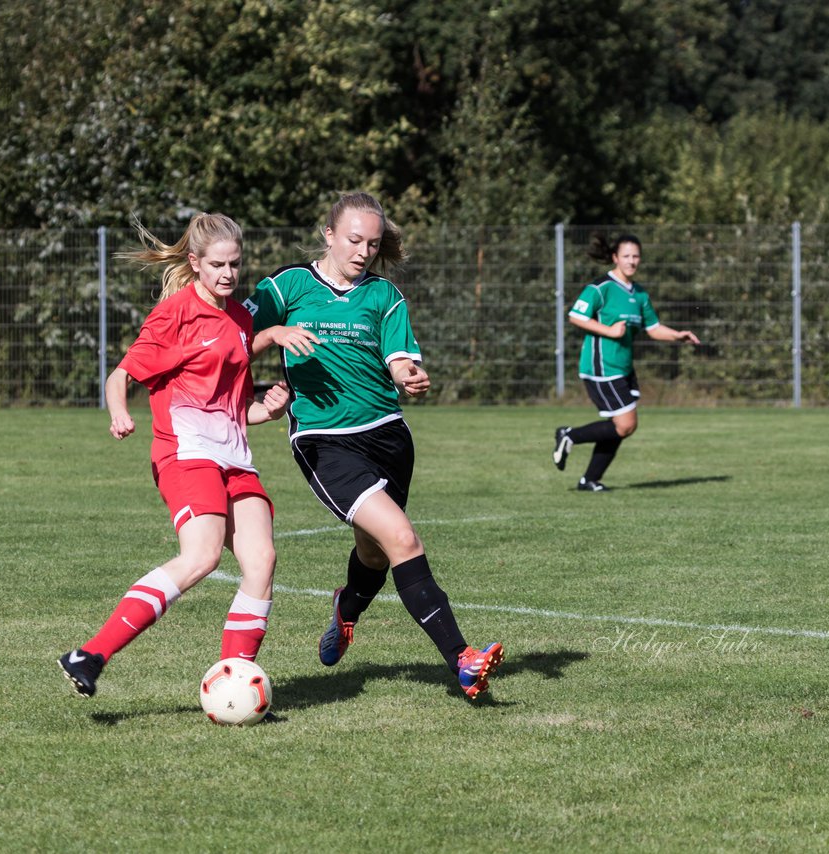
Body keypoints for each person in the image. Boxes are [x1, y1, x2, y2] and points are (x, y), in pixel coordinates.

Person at [245, 191, 504, 699]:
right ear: (329, 235)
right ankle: (463, 661)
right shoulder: (286, 285)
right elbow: (230, 341)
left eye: (373, 242)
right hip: (325, 440)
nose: (363, 250)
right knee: (403, 538)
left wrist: (410, 377)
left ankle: (347, 609)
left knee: (378, 551)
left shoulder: (385, 296)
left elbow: (399, 360)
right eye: (354, 239)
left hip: (388, 434)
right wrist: (273, 332)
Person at [58, 213, 291, 698]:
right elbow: (120, 375)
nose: (228, 274)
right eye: (218, 265)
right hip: (186, 454)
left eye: (235, 264)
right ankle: (90, 654)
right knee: (202, 555)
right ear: (195, 263)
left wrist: (267, 409)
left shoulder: (242, 318)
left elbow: (232, 407)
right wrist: (119, 412)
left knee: (262, 559)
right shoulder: (175, 315)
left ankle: (234, 682)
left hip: (233, 455)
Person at [552, 231, 700, 491]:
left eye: (636, 256)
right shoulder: (601, 288)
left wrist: (677, 336)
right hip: (601, 367)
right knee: (626, 423)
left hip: (624, 368)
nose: (632, 261)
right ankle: (569, 435)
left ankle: (590, 479)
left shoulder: (639, 295)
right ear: (615, 258)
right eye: (626, 256)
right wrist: (609, 330)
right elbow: (576, 316)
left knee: (620, 426)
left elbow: (652, 328)